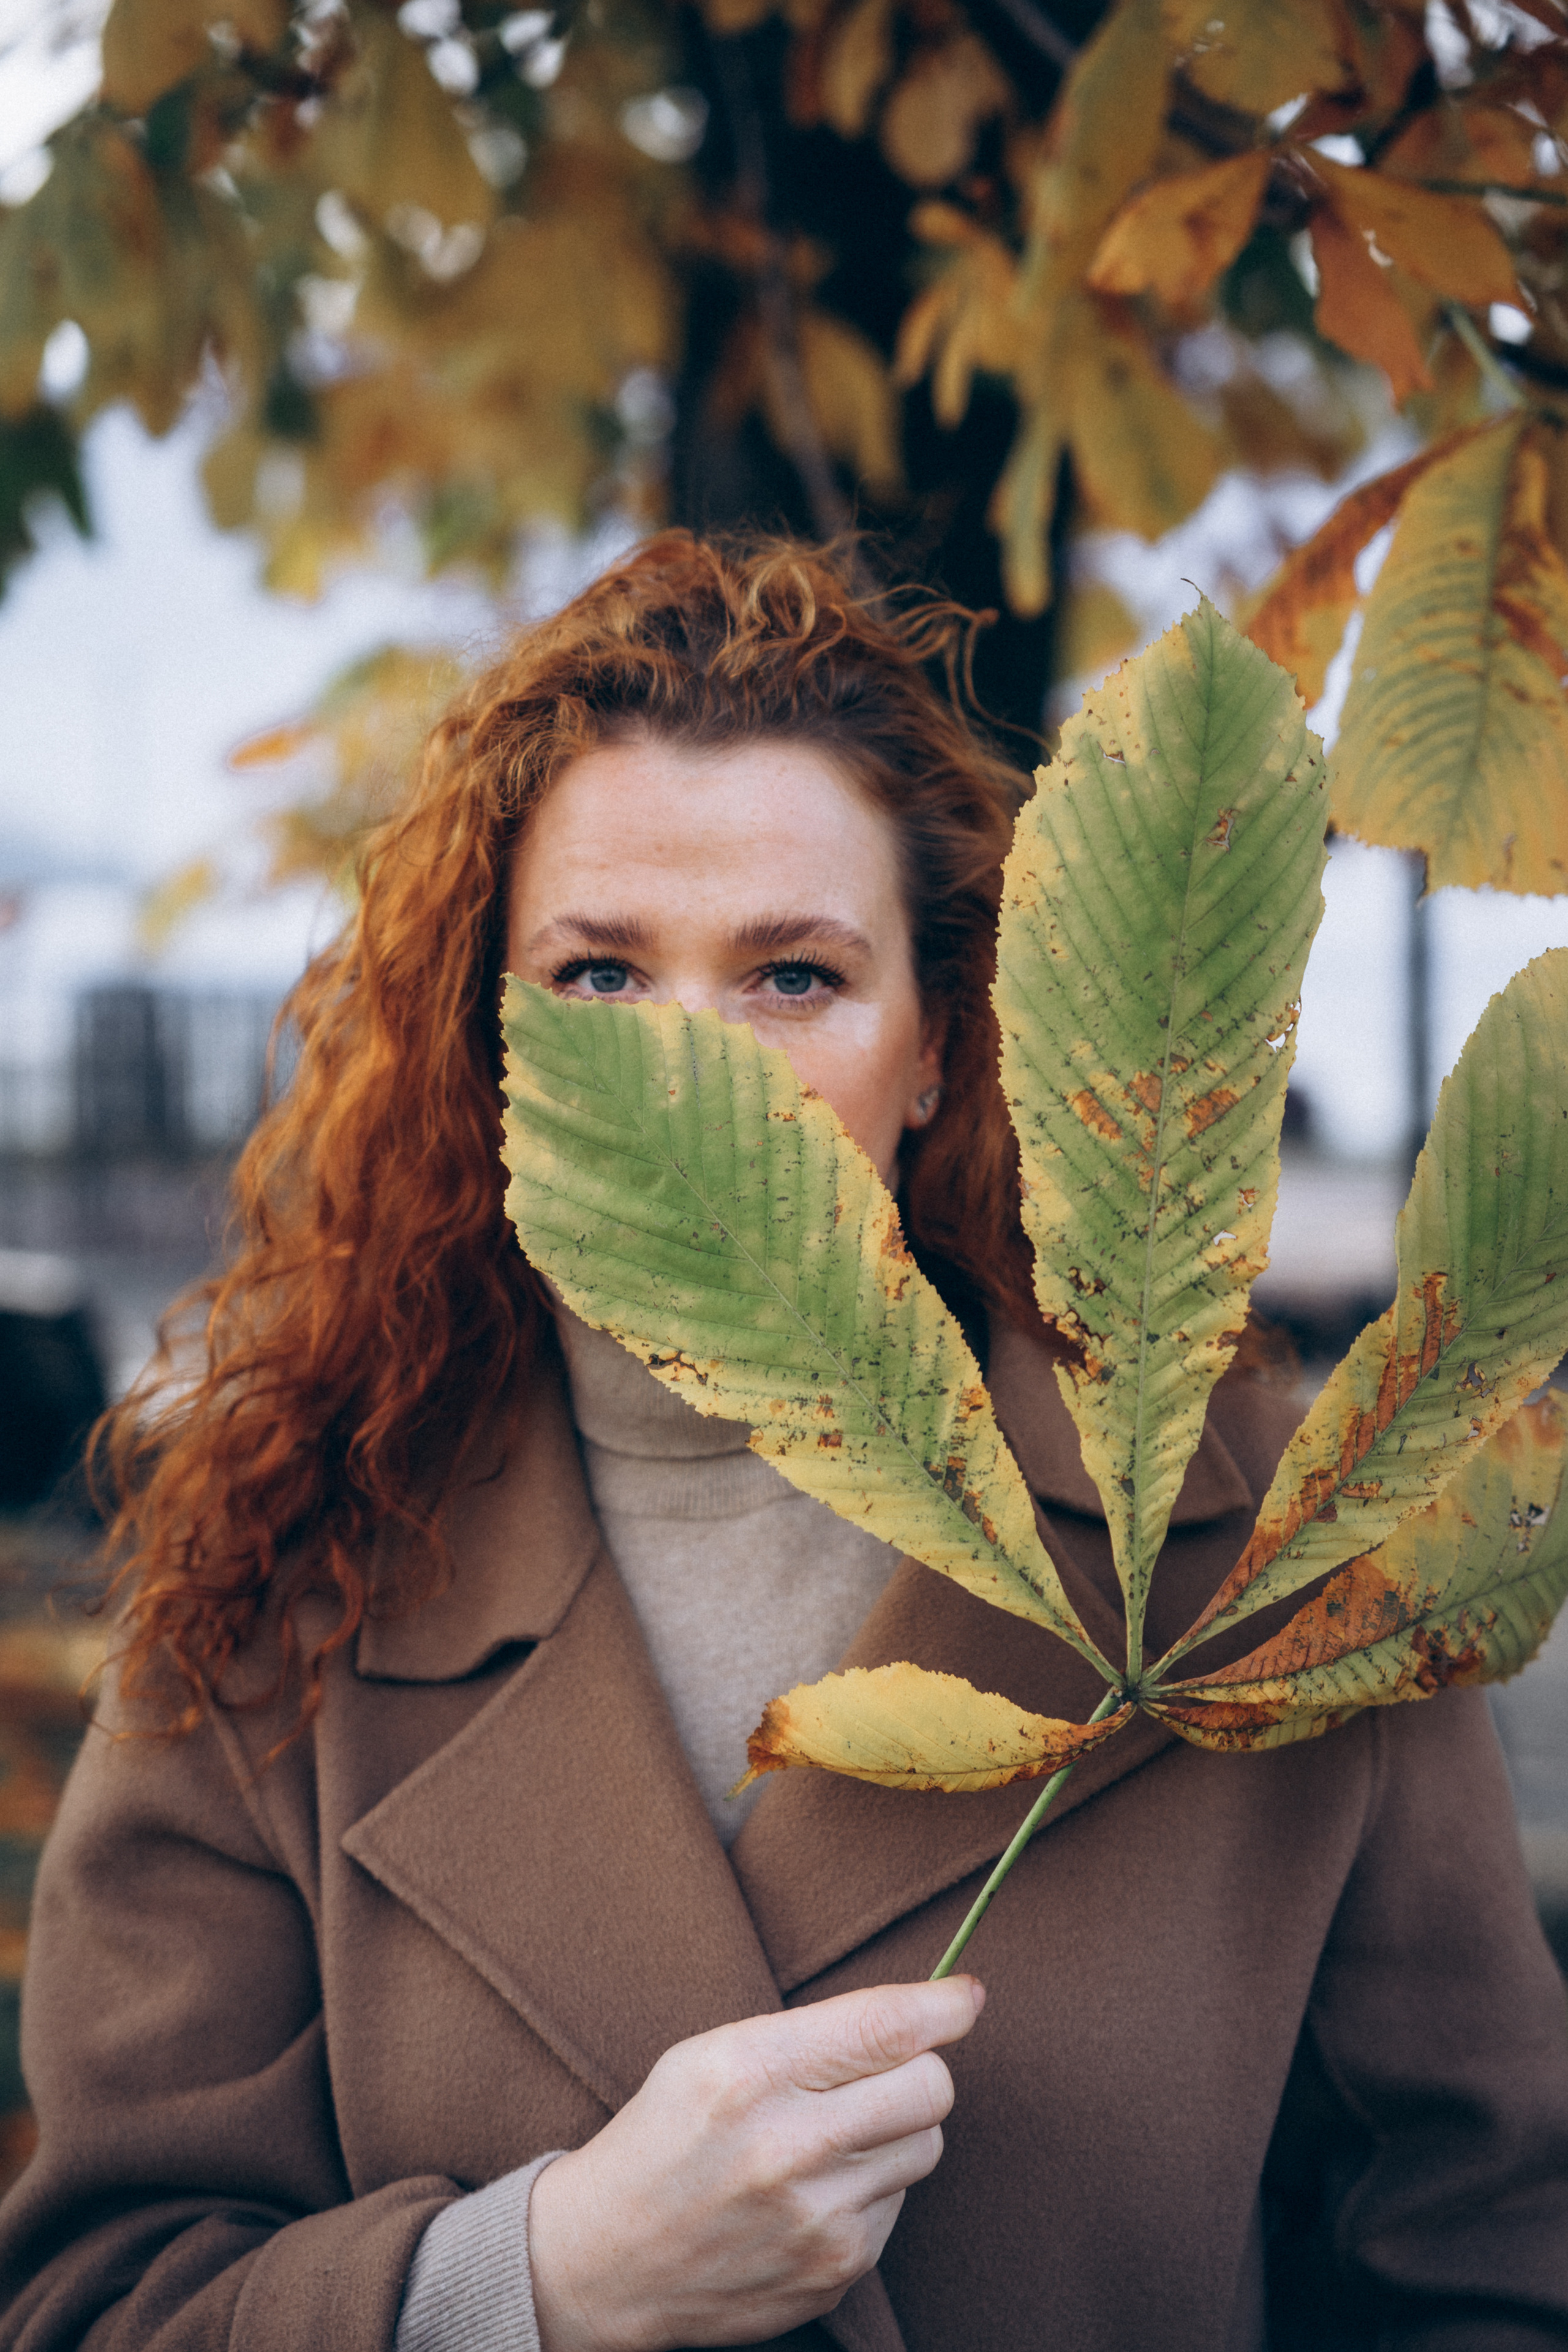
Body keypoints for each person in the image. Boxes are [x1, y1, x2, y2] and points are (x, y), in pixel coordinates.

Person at [2, 535, 1566, 2352]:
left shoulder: (1270, 1554)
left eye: (795, 978)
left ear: (933, 1050)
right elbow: (93, 2303)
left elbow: (1486, 2263)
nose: (698, 1072)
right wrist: (536, 2280)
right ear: (483, 1049)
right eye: (597, 978)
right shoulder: (286, 1581)